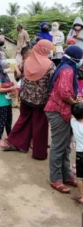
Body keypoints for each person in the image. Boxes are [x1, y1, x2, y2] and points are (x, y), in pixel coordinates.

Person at [4, 40, 55, 160]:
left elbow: (18, 71)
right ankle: (39, 153)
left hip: (25, 97)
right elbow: (52, 83)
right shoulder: (50, 65)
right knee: (40, 127)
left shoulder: (26, 61)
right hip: (41, 100)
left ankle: (15, 142)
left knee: (23, 120)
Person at [45, 46, 83, 193]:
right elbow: (64, 93)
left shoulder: (65, 67)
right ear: (75, 58)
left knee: (66, 145)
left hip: (62, 111)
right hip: (58, 110)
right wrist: (77, 103)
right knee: (59, 146)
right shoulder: (68, 70)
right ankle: (55, 178)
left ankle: (66, 174)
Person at [0, 60, 14, 147]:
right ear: (1, 67)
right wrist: (10, 89)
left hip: (8, 101)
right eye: (6, 67)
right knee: (1, 121)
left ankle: (10, 138)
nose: (7, 68)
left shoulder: (5, 75)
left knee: (9, 120)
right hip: (2, 102)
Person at [71, 103, 83, 204]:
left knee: (80, 177)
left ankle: (82, 197)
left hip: (80, 154)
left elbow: (72, 115)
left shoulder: (73, 122)